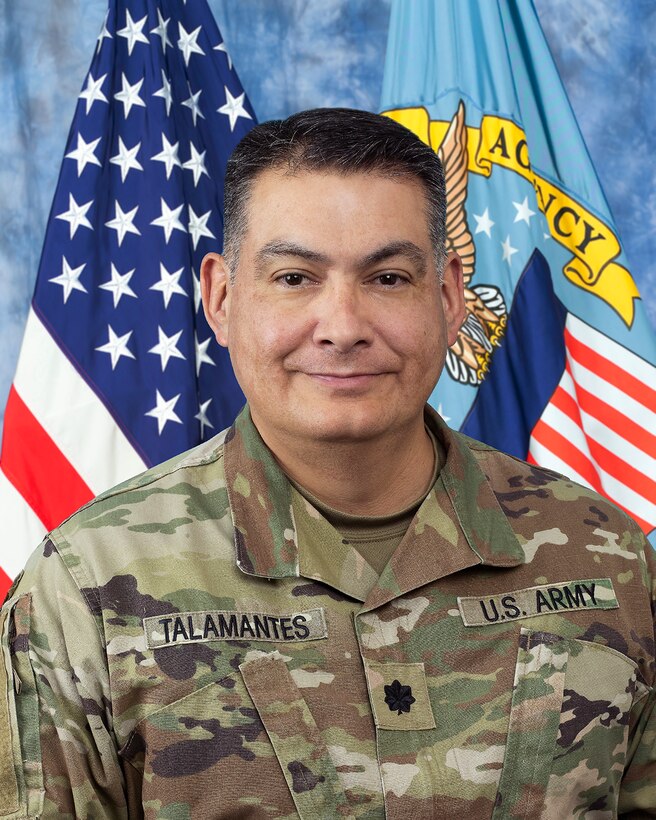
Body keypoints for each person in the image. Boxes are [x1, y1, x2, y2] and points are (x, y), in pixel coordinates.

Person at [1, 108, 654, 819]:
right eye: (293, 278)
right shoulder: (90, 585)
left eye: (389, 279)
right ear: (220, 297)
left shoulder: (607, 559)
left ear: (448, 295)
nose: (343, 328)